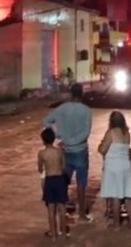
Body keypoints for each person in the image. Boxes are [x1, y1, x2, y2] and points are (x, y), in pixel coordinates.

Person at [44, 83, 93, 223]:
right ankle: (82, 215)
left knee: (64, 182)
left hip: (65, 151)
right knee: (81, 184)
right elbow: (86, 132)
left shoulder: (62, 108)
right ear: (82, 94)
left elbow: (46, 121)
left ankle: (63, 213)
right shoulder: (86, 110)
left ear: (71, 94)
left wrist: (58, 136)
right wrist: (73, 141)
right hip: (80, 151)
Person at [98, 111, 131, 230]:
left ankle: (116, 225)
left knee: (115, 196)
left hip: (113, 166)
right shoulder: (127, 134)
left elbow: (103, 150)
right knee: (128, 195)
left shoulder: (111, 133)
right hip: (125, 166)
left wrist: (100, 145)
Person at [38, 128, 69, 240]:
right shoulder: (59, 151)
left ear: (43, 140)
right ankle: (64, 234)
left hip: (49, 180)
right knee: (62, 208)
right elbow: (64, 167)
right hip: (60, 180)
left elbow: (40, 169)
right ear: (53, 138)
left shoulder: (41, 153)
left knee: (51, 210)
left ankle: (54, 236)